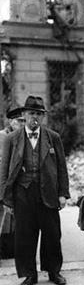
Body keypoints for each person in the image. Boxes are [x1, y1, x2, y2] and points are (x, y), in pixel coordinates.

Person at [0, 95, 69, 285]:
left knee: (52, 235)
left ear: (43, 116)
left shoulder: (52, 137)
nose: (35, 118)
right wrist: (6, 198)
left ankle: (54, 271)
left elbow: (62, 167)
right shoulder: (12, 139)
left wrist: (63, 193)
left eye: (39, 114)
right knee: (24, 236)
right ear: (24, 115)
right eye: (31, 113)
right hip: (23, 194)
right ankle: (29, 275)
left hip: (48, 193)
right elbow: (4, 169)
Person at [0, 106, 26, 260]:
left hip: (17, 185)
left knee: (14, 220)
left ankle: (10, 251)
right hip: (4, 183)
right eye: (18, 121)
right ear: (10, 121)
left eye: (24, 120)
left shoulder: (22, 136)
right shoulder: (3, 137)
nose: (22, 124)